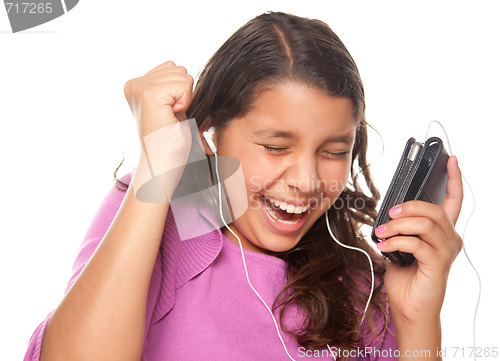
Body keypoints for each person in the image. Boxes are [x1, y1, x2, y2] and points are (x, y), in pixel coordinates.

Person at [24, 11, 463, 361]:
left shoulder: (360, 286)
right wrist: (160, 163)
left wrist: (416, 319)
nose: (305, 181)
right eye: (275, 146)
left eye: (332, 151)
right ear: (213, 131)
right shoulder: (171, 219)